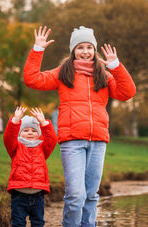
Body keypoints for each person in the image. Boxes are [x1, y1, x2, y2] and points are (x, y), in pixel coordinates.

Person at [23, 26, 136, 227]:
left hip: (98, 141)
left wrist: (116, 66)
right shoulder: (63, 73)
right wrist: (37, 50)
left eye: (89, 47)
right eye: (80, 47)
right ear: (73, 50)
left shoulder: (104, 75)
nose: (85, 51)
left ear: (94, 50)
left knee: (91, 195)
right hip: (72, 141)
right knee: (76, 195)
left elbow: (127, 93)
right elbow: (32, 79)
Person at [3, 106, 57, 227]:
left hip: (38, 194)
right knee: (18, 223)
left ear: (38, 134)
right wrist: (15, 121)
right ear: (20, 133)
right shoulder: (15, 147)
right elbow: (8, 137)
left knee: (38, 222)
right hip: (19, 193)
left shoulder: (42, 148)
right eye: (26, 130)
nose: (30, 133)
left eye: (33, 131)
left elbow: (52, 139)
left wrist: (44, 123)